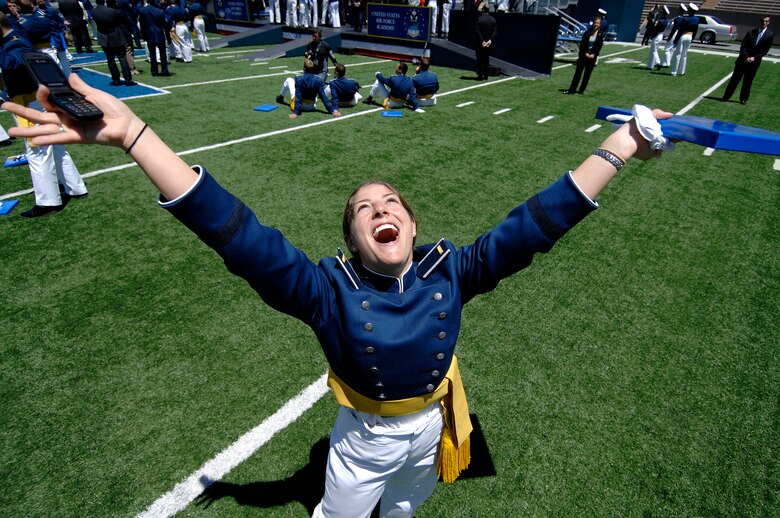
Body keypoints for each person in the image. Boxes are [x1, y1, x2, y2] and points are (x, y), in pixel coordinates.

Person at [4, 68, 672, 518]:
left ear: (411, 223)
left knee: (408, 509)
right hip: (364, 442)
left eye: (391, 202)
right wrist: (136, 136)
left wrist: (619, 142)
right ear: (353, 238)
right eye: (363, 207)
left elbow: (537, 222)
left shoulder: (452, 271)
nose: (380, 208)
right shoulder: (325, 290)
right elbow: (237, 233)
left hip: (433, 428)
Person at [0, 11, 88, 218]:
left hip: (29, 103)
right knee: (55, 147)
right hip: (29, 100)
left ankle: (48, 201)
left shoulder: (14, 43)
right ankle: (75, 187)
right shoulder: (13, 35)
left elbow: (14, 61)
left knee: (37, 152)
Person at [721, 15, 774, 105]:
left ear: (769, 22)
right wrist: (746, 57)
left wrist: (754, 58)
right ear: (760, 21)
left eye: (766, 21)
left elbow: (765, 50)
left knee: (747, 81)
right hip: (743, 60)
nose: (764, 23)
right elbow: (743, 46)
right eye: (763, 21)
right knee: (734, 79)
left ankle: (743, 99)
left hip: (754, 63)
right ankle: (726, 96)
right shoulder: (751, 32)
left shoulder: (770, 35)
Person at [276, 58, 341, 118]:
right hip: (312, 106)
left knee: (289, 79)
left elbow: (298, 97)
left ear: (304, 69)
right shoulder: (318, 80)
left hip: (301, 106)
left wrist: (295, 112)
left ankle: (281, 97)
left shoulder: (299, 79)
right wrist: (332, 110)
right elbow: (323, 96)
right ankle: (281, 98)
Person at [92, 0, 135, 85]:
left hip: (103, 36)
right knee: (122, 58)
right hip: (116, 36)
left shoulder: (93, 11)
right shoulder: (113, 11)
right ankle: (128, 79)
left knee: (110, 59)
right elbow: (122, 21)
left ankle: (116, 79)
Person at [563, 15, 604, 95]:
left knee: (587, 75)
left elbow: (599, 46)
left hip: (592, 57)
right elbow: (582, 45)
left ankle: (581, 91)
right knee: (577, 74)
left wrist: (593, 54)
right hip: (583, 56)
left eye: (598, 23)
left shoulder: (600, 34)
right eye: (595, 23)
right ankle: (572, 90)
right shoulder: (587, 32)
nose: (596, 25)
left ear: (600, 24)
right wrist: (585, 53)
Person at [138, 0, 171, 76]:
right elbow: (164, 25)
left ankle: (154, 71)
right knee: (163, 53)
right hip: (159, 33)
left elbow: (142, 24)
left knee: (152, 54)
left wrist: (143, 35)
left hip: (149, 33)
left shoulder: (143, 10)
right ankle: (165, 70)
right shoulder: (160, 11)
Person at [669, 2, 698, 77]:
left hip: (683, 35)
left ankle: (674, 71)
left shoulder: (685, 19)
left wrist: (675, 41)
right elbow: (695, 31)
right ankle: (682, 71)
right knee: (684, 54)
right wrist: (692, 39)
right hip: (690, 36)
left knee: (678, 54)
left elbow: (680, 31)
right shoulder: (697, 19)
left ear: (690, 10)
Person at [474, 0, 495, 80]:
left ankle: (480, 75)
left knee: (479, 59)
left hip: (480, 43)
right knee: (486, 58)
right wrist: (489, 40)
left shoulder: (479, 19)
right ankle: (486, 75)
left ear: (483, 10)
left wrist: (482, 41)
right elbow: (495, 31)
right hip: (489, 43)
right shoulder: (493, 20)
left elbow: (477, 32)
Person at [661, 3, 686, 68]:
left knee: (666, 49)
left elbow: (675, 28)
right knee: (671, 50)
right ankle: (665, 63)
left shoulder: (678, 19)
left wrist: (670, 36)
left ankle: (667, 63)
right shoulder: (683, 18)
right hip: (678, 34)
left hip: (674, 33)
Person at [647, 4, 669, 71]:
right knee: (654, 50)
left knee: (653, 50)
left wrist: (652, 35)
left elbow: (656, 30)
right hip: (661, 35)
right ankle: (651, 65)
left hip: (657, 35)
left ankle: (658, 62)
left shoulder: (661, 21)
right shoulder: (666, 21)